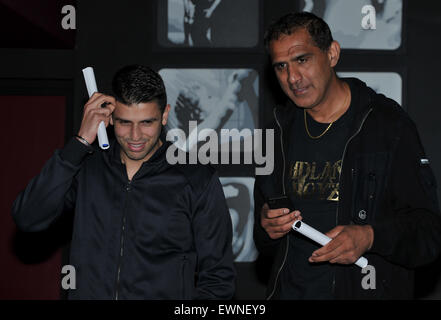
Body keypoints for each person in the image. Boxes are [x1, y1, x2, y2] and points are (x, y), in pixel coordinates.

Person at [253, 12, 441, 299]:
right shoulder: (276, 132)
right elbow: (265, 242)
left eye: (302, 59)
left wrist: (370, 236)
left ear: (332, 54)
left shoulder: (388, 126)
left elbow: (428, 234)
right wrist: (268, 227)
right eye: (281, 66)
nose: (292, 77)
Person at [12, 65, 235, 299]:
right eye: (124, 122)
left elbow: (218, 280)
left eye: (147, 122)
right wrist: (79, 143)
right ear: (109, 117)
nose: (135, 136)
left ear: (165, 115)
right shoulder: (88, 168)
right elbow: (28, 217)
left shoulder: (196, 178)